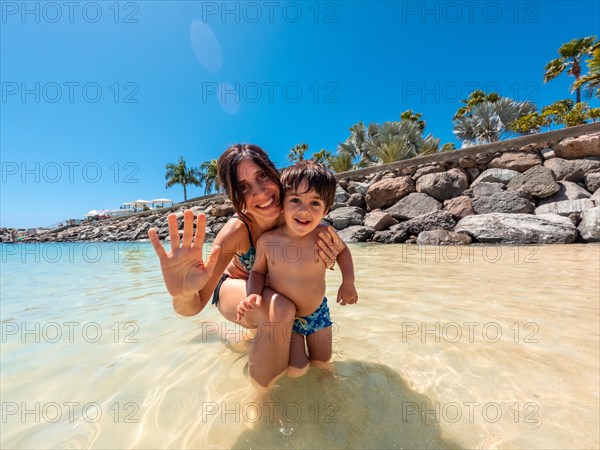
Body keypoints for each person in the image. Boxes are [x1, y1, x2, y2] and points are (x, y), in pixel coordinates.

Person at [148, 144, 340, 389]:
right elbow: (194, 305)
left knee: (291, 354)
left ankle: (237, 336)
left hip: (271, 290)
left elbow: (319, 263)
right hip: (236, 287)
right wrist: (182, 293)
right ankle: (261, 402)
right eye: (244, 187)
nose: (260, 193)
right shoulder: (237, 231)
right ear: (234, 196)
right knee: (279, 311)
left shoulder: (297, 210)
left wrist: (330, 259)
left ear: (274, 172)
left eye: (262, 176)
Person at [237, 160, 358, 376]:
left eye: (315, 204)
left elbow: (342, 252)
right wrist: (253, 295)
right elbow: (257, 272)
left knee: (323, 362)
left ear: (326, 210)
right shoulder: (268, 241)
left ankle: (327, 392)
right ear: (282, 204)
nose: (304, 211)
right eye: (295, 200)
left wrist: (348, 281)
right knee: (297, 369)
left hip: (317, 313)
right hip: (288, 320)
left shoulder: (324, 233)